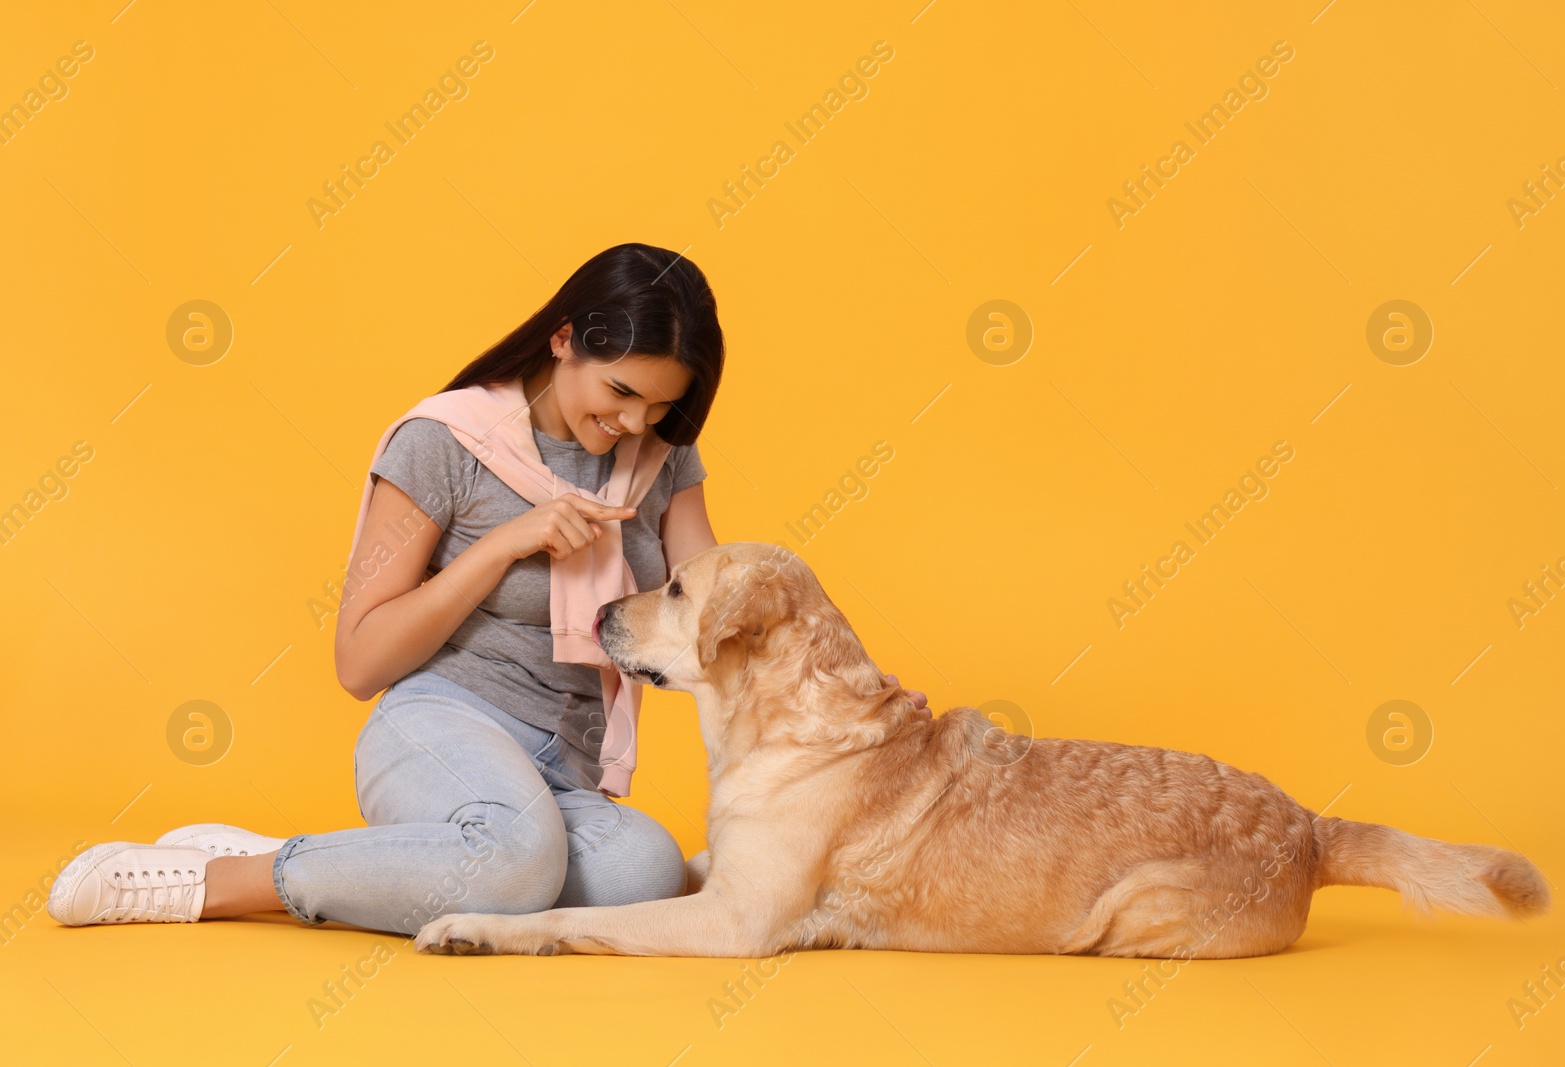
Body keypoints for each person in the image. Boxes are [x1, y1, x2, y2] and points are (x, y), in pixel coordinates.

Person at [48, 242, 929, 935]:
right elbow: (359, 660)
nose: (632, 424)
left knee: (646, 871)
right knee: (517, 859)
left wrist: (849, 705)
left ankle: (342, 860)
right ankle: (216, 881)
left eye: (658, 408)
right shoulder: (444, 442)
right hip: (440, 724)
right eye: (621, 391)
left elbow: (720, 620)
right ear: (563, 339)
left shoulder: (660, 460)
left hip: (568, 762)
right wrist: (504, 545)